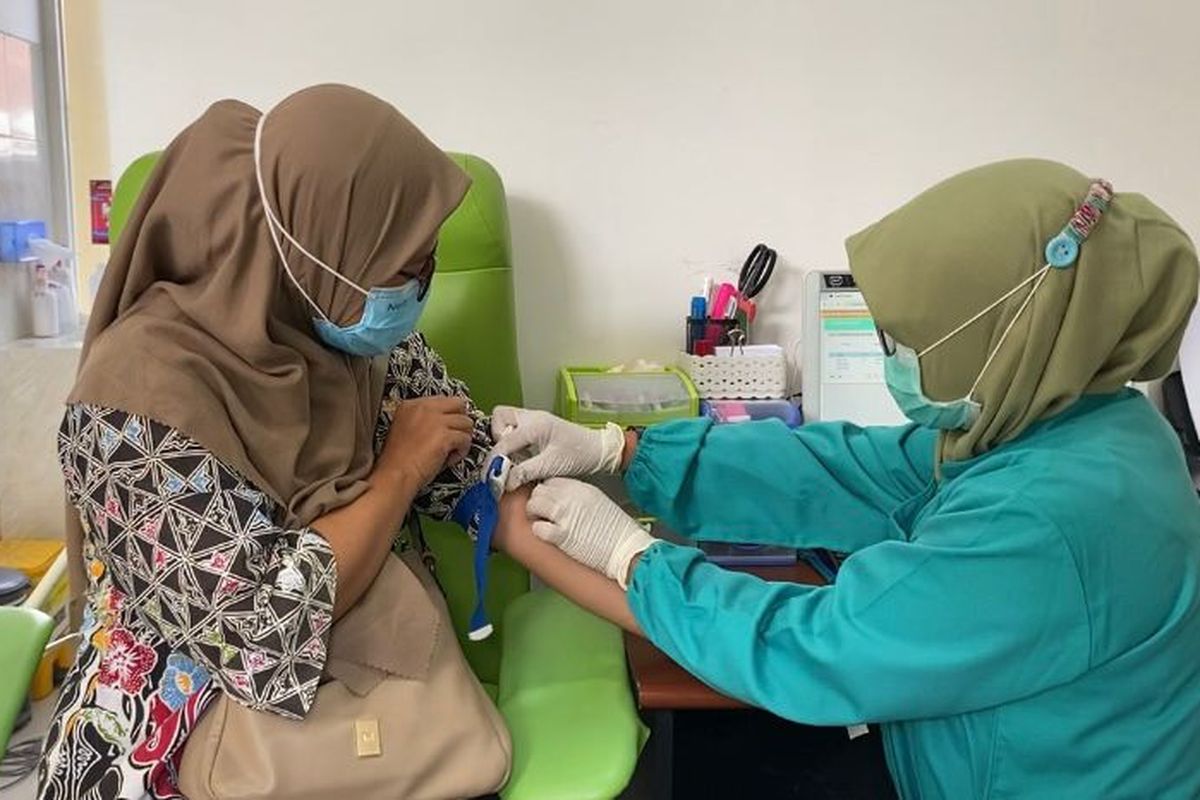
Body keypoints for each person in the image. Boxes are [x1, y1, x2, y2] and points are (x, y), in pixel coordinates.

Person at [490, 159, 1200, 798]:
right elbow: (855, 469)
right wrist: (624, 449)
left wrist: (630, 558)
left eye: (907, 340)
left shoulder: (1051, 516)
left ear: (1011, 335)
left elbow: (816, 650)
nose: (894, 357)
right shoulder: (1076, 422)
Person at [39, 85, 500, 799]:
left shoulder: (354, 331)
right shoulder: (128, 409)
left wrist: (609, 473)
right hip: (177, 740)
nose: (420, 286)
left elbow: (481, 469)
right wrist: (397, 473)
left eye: (427, 259)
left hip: (377, 710)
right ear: (313, 249)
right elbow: (260, 633)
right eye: (406, 266)